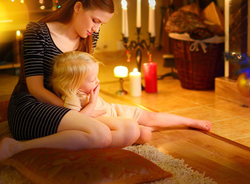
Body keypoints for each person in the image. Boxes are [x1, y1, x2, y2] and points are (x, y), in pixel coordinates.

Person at [0, 0, 142, 175]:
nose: (96, 29)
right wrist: (74, 112)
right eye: (95, 20)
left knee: (130, 130)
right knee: (101, 134)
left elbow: (80, 81)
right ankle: (15, 147)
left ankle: (79, 138)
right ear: (78, 7)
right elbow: (35, 88)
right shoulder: (37, 32)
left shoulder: (89, 37)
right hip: (33, 105)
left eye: (101, 24)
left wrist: (85, 109)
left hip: (70, 107)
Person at [51, 51, 212, 144]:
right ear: (74, 84)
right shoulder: (71, 96)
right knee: (145, 135)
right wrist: (92, 103)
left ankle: (189, 122)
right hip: (111, 125)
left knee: (151, 116)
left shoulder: (78, 89)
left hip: (115, 111)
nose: (97, 81)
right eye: (93, 80)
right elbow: (75, 122)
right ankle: (147, 128)